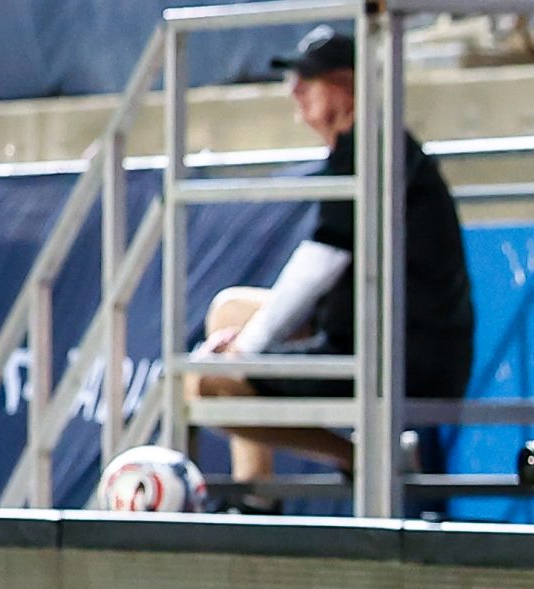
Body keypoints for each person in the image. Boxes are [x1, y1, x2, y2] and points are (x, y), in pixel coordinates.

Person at [184, 25, 472, 507]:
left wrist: (247, 351)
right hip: (374, 324)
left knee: (208, 382)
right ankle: (258, 493)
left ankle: (364, 458)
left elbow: (321, 261)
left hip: (402, 353)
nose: (294, 91)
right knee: (229, 310)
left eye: (309, 80)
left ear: (347, 86)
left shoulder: (372, 145)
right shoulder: (362, 144)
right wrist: (247, 338)